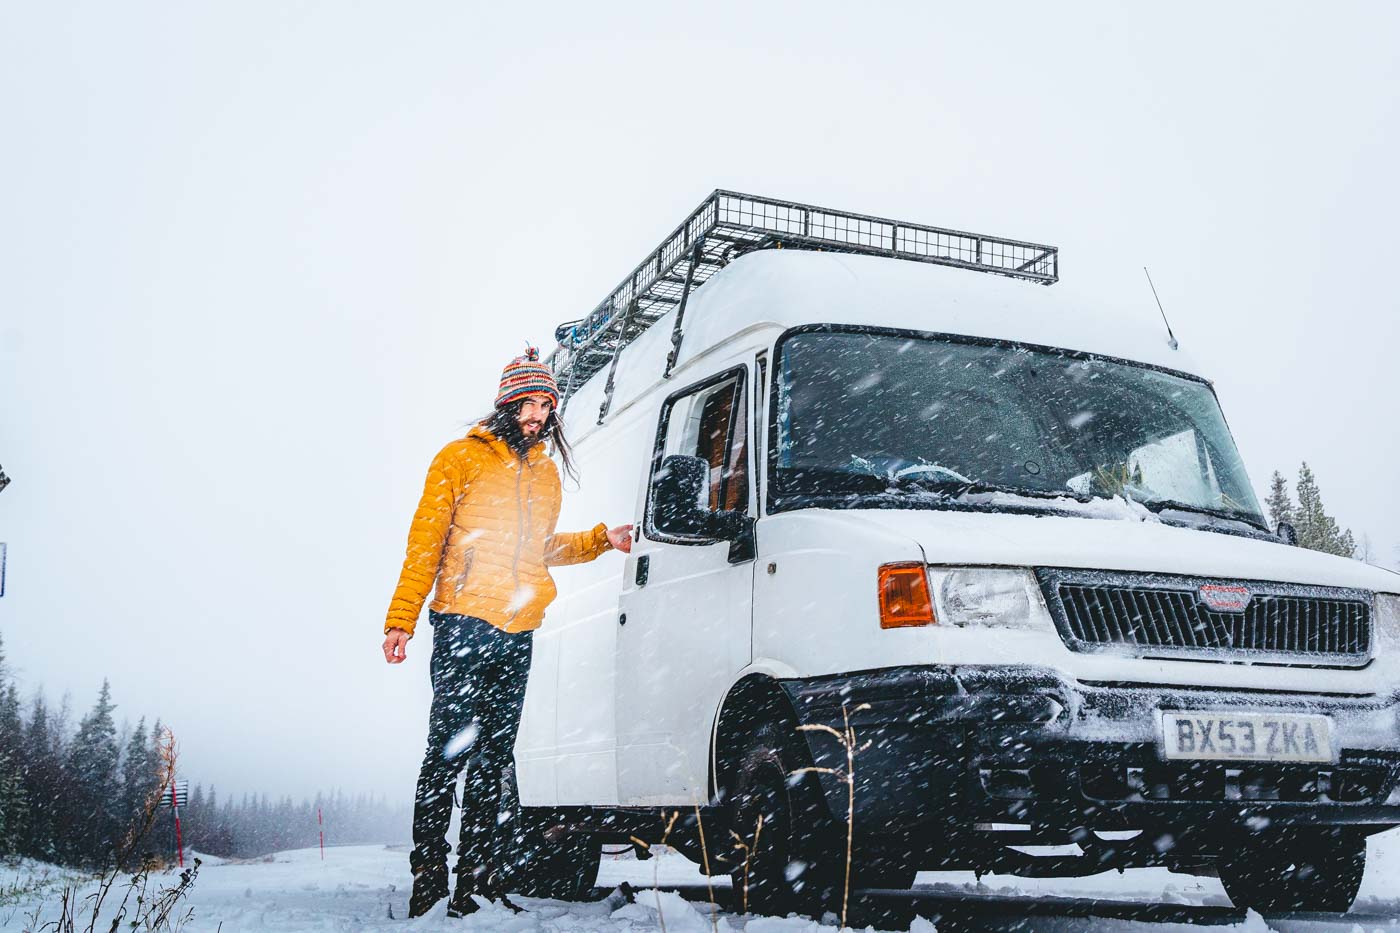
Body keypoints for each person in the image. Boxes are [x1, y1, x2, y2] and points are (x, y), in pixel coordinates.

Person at [382, 348, 631, 917]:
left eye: (546, 405)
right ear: (506, 402)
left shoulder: (544, 471)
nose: (537, 415)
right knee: (447, 754)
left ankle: (474, 884)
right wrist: (401, 620)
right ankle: (428, 877)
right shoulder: (458, 459)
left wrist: (599, 540)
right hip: (464, 621)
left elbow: (538, 548)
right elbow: (425, 547)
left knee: (496, 759)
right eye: (528, 403)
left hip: (518, 627)